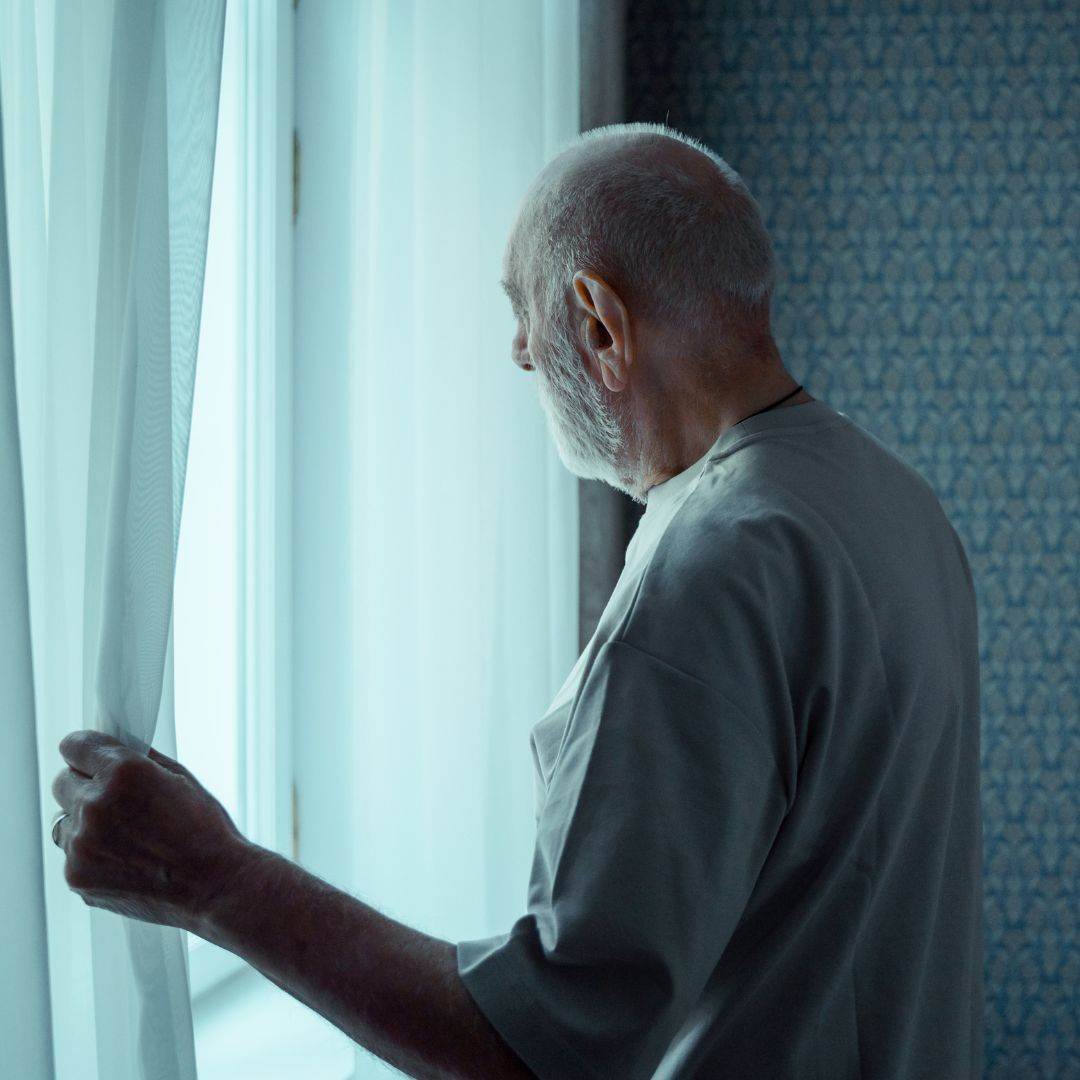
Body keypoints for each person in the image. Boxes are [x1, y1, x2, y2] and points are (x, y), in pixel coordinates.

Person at [53, 122, 984, 1079]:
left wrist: (214, 878)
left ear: (597, 321)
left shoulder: (706, 572)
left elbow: (543, 1053)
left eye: (523, 307)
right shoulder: (897, 503)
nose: (519, 352)